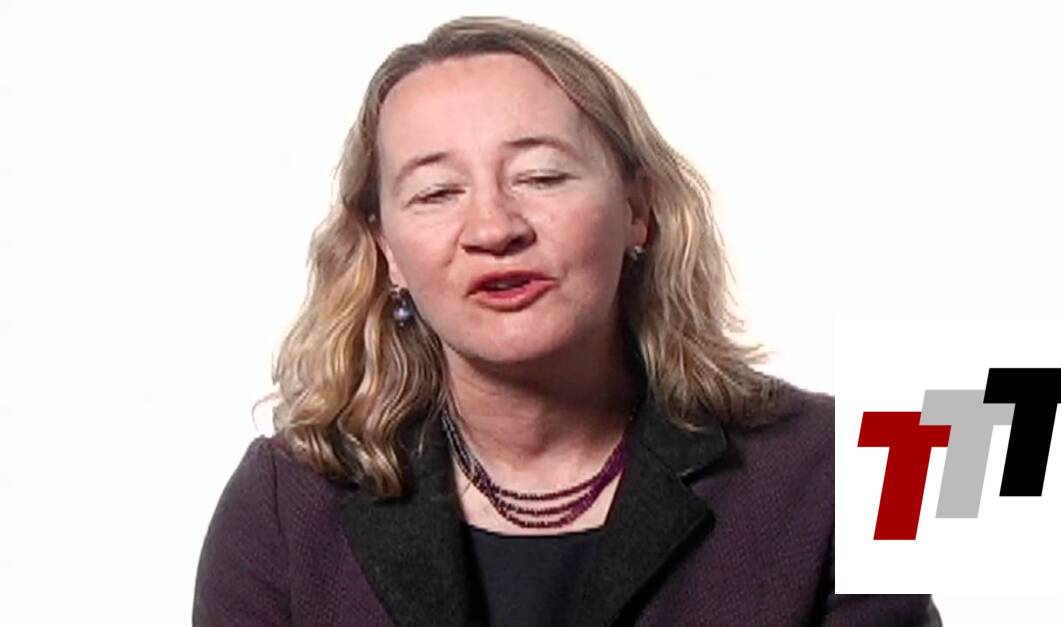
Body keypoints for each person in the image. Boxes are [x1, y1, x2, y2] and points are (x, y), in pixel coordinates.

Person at [193, 15, 942, 627]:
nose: (494, 227)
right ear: (387, 249)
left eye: (541, 176)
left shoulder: (839, 472)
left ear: (637, 210)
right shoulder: (286, 504)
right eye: (436, 192)